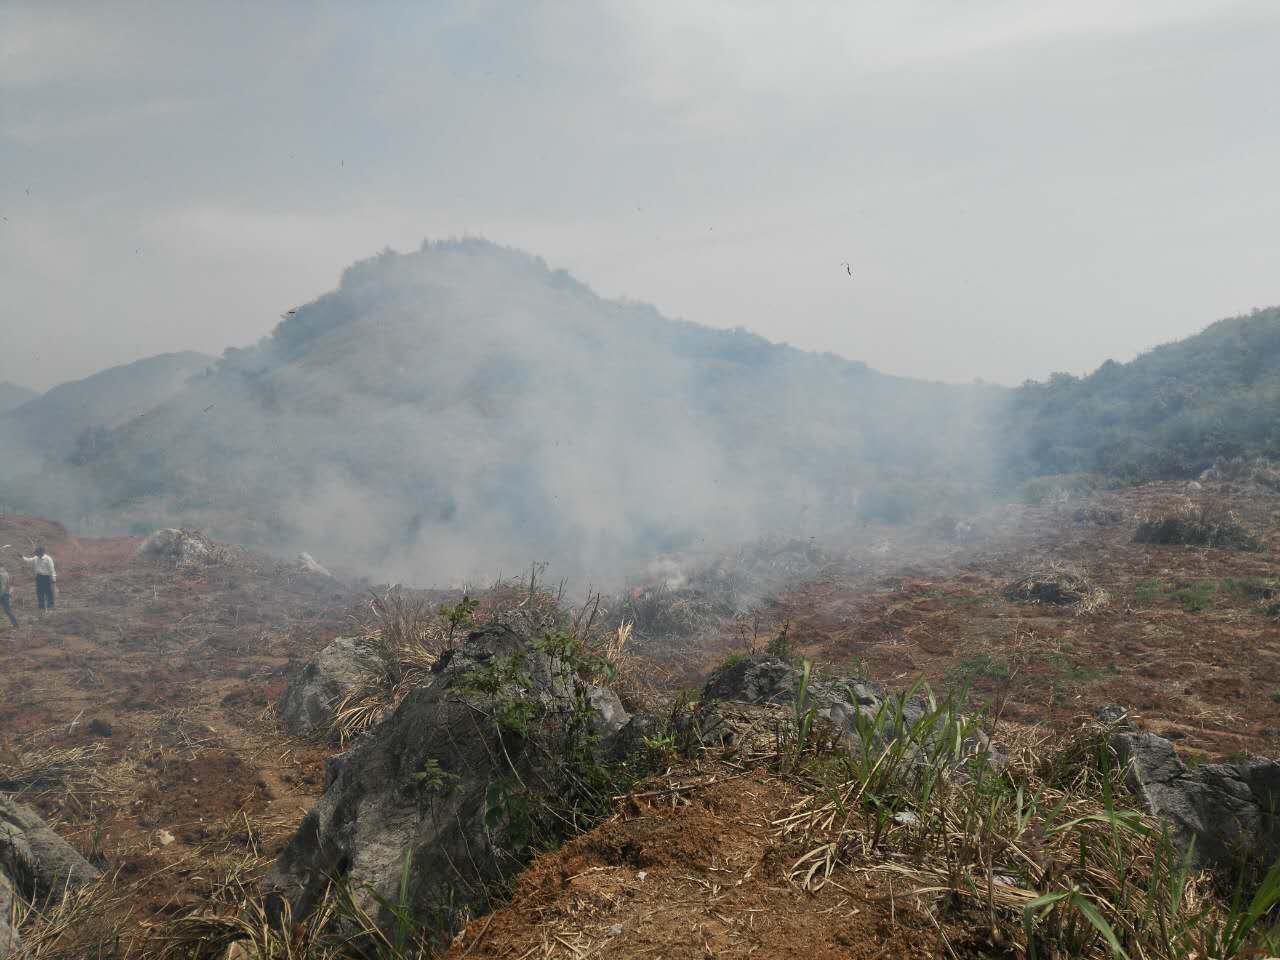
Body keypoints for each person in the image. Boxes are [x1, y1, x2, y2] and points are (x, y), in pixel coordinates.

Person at [21, 546, 56, 613]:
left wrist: (53, 578)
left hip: (47, 577)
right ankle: (41, 606)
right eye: (36, 553)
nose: (36, 554)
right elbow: (29, 560)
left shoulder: (48, 559)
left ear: (41, 553)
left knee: (48, 592)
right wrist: (22, 557)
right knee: (39, 592)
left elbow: (52, 569)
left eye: (37, 553)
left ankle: (50, 605)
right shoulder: (36, 558)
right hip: (39, 577)